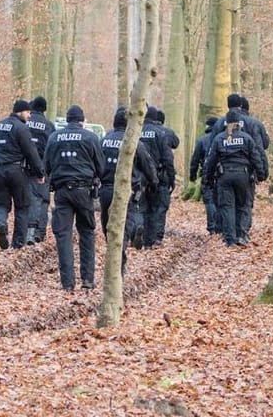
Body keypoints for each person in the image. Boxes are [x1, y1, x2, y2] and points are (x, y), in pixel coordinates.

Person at [44, 105, 106, 290]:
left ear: (67, 119)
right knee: (86, 233)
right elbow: (101, 166)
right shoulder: (90, 137)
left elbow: (46, 165)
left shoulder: (54, 137)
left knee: (63, 236)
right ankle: (87, 279)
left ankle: (67, 283)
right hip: (84, 192)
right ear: (82, 120)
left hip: (62, 192)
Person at [99, 106, 158, 269]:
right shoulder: (134, 142)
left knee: (107, 224)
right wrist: (154, 182)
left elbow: (95, 163)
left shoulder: (103, 140)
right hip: (128, 189)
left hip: (106, 189)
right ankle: (126, 245)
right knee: (127, 221)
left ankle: (114, 250)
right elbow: (147, 165)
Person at [0, 99, 44, 250]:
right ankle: (17, 244)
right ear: (21, 112)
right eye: (28, 112)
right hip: (17, 171)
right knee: (22, 206)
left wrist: (0, 147)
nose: (30, 116)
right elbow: (31, 152)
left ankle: (0, 223)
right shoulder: (21, 128)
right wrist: (39, 172)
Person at [204, 109, 266, 247]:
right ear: (239, 123)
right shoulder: (246, 138)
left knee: (227, 207)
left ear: (226, 123)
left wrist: (207, 179)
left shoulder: (219, 138)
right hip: (243, 176)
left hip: (224, 176)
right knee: (242, 206)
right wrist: (260, 174)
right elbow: (255, 157)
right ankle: (241, 235)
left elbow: (211, 161)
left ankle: (230, 239)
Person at [143, 106, 178, 246]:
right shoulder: (163, 133)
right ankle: (156, 236)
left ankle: (142, 234)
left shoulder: (134, 132)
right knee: (159, 207)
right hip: (159, 176)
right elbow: (168, 158)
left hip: (138, 177)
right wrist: (172, 178)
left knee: (142, 206)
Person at [23, 95, 54, 245]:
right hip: (42, 166)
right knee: (43, 199)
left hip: (23, 165)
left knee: (28, 198)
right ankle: (38, 232)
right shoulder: (49, 126)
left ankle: (26, 230)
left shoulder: (24, 123)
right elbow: (53, 148)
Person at [188, 115, 221, 234]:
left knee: (209, 200)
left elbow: (195, 159)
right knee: (220, 200)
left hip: (206, 173)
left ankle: (212, 227)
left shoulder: (202, 140)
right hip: (221, 173)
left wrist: (192, 176)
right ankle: (219, 227)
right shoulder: (223, 138)